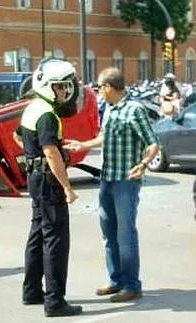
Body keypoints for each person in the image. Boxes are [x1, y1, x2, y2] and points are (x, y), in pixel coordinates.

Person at [64, 67, 159, 303]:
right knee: (109, 232)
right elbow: (105, 137)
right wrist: (83, 145)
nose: (98, 92)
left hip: (126, 182)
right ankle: (116, 280)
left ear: (108, 87)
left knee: (125, 233)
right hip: (107, 179)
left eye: (99, 87)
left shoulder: (134, 110)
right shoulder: (110, 109)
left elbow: (152, 143)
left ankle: (131, 284)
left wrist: (144, 164)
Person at [12, 59, 82, 317]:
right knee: (56, 240)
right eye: (60, 87)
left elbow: (17, 135)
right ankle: (55, 301)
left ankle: (31, 290)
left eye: (65, 87)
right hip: (49, 182)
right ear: (47, 87)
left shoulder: (32, 108)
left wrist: (32, 157)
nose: (65, 92)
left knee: (38, 234)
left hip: (35, 179)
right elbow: (51, 152)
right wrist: (67, 187)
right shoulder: (47, 115)